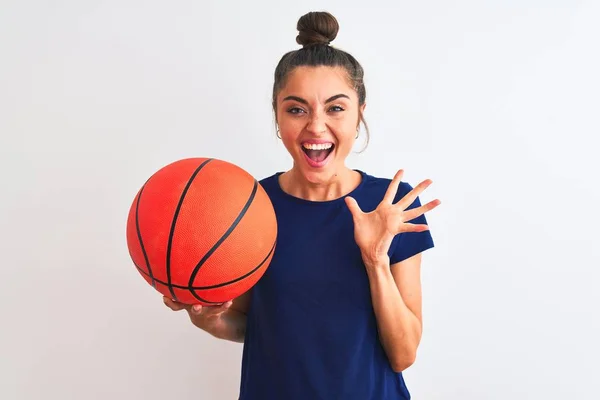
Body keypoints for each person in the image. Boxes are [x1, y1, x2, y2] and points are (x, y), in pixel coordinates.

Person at [163, 11, 441, 400]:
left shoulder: (391, 205)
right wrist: (205, 315)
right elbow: (248, 327)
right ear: (277, 115)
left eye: (335, 108)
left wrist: (375, 258)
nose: (315, 126)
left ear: (359, 113)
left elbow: (403, 354)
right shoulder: (249, 207)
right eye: (296, 109)